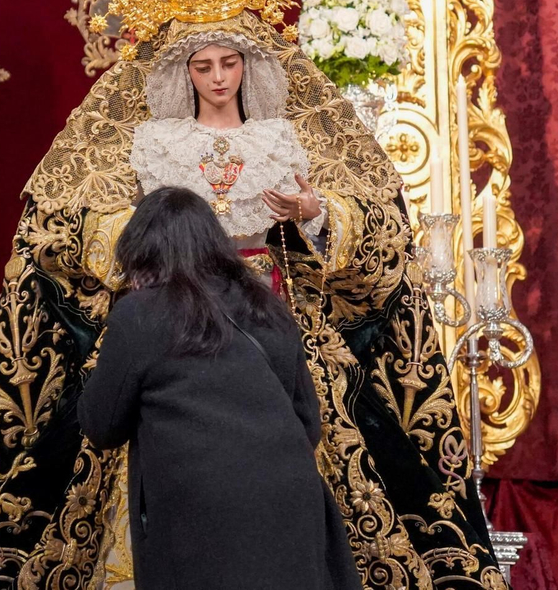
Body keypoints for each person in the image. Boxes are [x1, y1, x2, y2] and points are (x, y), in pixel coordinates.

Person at [0, 0, 501, 590]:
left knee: (322, 430)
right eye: (202, 64)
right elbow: (65, 223)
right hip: (167, 307)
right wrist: (138, 235)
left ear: (248, 65)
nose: (217, 77)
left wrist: (315, 215)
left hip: (274, 306)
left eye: (230, 61)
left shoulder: (290, 131)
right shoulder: (146, 138)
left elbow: (375, 231)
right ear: (185, 72)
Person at [77, 187, 359, 590]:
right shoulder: (265, 305)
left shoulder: (140, 313)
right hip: (290, 498)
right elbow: (308, 424)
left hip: (197, 513)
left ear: (143, 248)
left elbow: (101, 426)